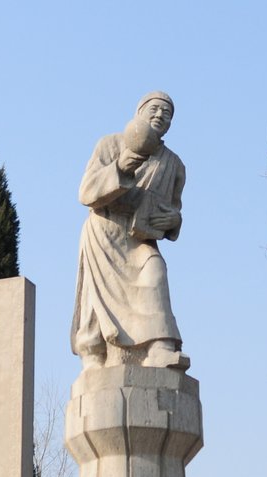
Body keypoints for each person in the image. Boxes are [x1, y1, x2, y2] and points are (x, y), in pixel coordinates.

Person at [71, 91, 188, 371]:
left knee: (155, 271)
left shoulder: (174, 164)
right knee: (95, 300)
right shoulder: (110, 144)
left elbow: (174, 209)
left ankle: (159, 346)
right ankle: (94, 353)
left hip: (140, 238)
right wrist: (120, 167)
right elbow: (86, 192)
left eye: (167, 113)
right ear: (140, 112)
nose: (161, 116)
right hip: (105, 231)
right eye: (155, 109)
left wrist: (172, 222)